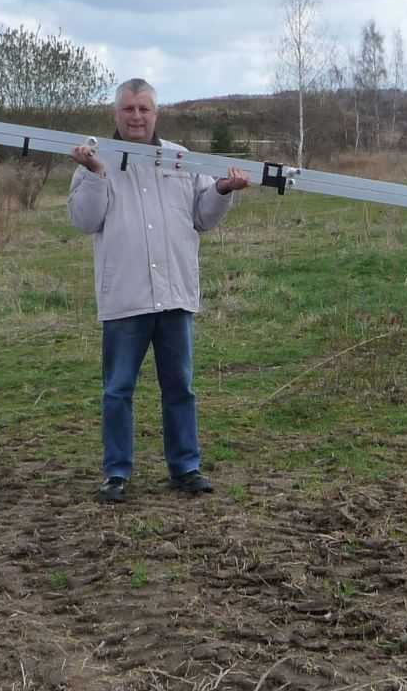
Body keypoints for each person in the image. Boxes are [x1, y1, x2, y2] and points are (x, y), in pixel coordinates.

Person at [68, 78, 250, 503]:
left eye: (143, 109)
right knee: (118, 390)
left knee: (179, 387)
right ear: (115, 114)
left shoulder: (181, 159)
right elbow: (84, 220)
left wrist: (222, 190)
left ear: (156, 113)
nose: (136, 117)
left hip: (174, 295)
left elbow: (203, 217)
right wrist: (95, 175)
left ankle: (185, 467)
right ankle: (116, 473)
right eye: (128, 109)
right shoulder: (94, 159)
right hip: (125, 297)